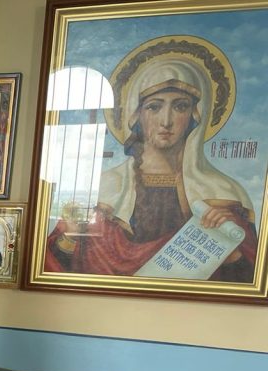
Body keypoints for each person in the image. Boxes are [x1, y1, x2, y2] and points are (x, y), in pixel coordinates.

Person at [45, 54, 257, 282]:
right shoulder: (103, 189)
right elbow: (54, 268)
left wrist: (227, 248)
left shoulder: (224, 193)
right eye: (154, 107)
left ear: (195, 116)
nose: (166, 121)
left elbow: (249, 280)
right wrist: (71, 236)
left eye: (180, 106)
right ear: (136, 114)